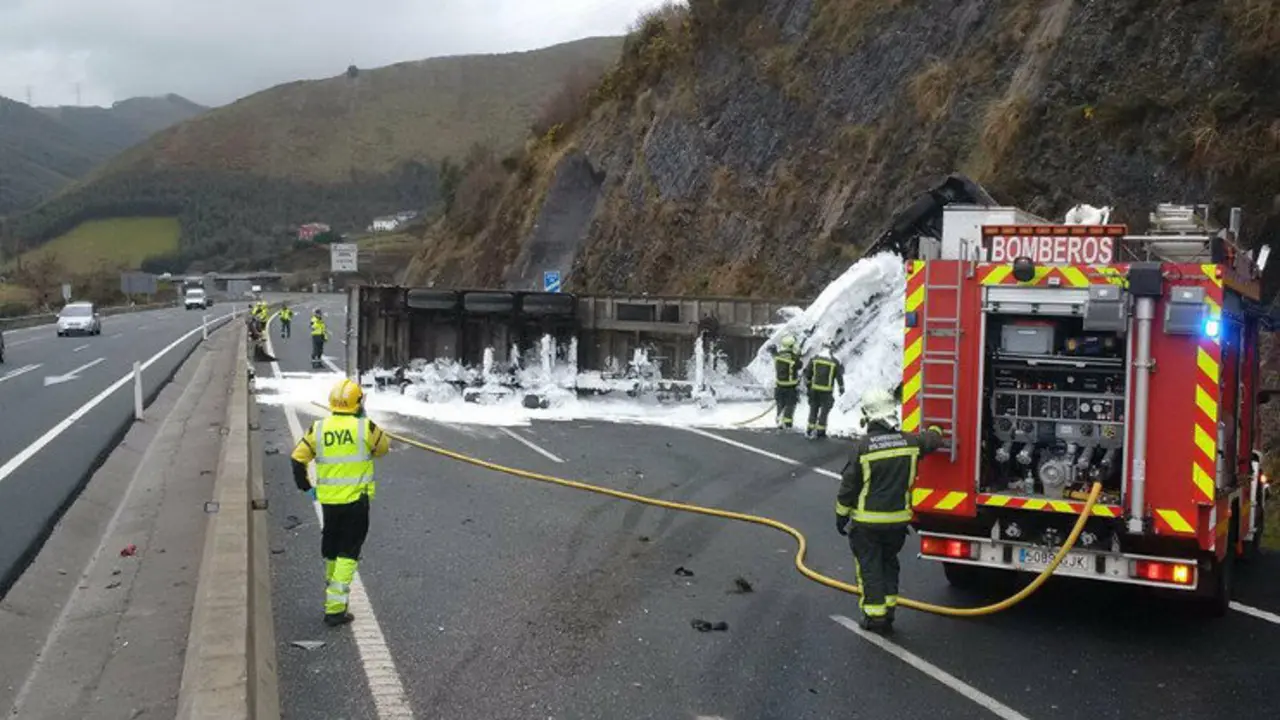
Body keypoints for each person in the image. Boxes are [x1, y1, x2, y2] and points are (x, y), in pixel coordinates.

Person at [835, 389, 946, 633]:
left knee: (870, 568)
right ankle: (889, 609)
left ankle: (876, 617)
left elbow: (849, 487)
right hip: (897, 523)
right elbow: (932, 440)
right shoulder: (911, 442)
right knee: (889, 564)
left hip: (867, 524)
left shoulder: (863, 447)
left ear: (868, 416)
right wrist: (938, 429)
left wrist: (841, 515)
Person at [290, 378, 390, 626]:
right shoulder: (365, 428)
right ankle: (335, 609)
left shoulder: (319, 428)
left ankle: (332, 593)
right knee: (349, 551)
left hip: (329, 502)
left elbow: (297, 458)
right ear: (358, 403)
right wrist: (364, 422)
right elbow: (383, 449)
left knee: (332, 549)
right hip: (356, 501)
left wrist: (306, 487)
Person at [803, 344, 845, 439]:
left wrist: (809, 386)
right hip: (826, 392)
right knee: (824, 412)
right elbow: (839, 376)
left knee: (813, 410)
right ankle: (820, 432)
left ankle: (810, 429)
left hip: (814, 390)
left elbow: (808, 373)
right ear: (830, 350)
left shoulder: (815, 359)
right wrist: (841, 388)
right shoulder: (834, 361)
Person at [773, 335, 801, 429]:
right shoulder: (793, 357)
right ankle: (787, 423)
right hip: (790, 387)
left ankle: (779, 421)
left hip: (779, 386)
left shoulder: (778, 356)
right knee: (790, 405)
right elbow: (799, 365)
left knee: (780, 404)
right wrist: (798, 354)